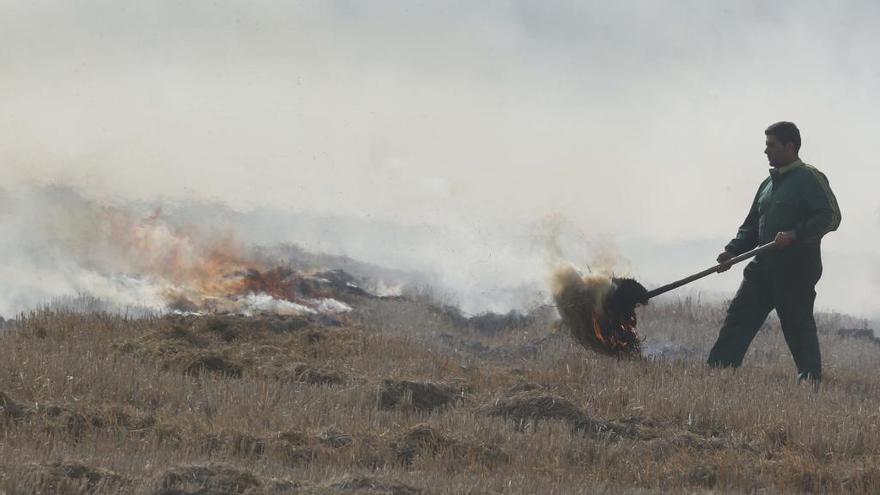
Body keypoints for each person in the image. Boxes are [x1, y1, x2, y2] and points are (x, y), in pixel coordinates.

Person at [707, 121, 841, 383]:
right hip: (762, 267)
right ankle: (718, 372)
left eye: (771, 145)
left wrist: (795, 234)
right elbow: (751, 227)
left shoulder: (809, 178)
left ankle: (810, 381)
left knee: (797, 326)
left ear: (790, 146)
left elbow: (831, 217)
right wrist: (731, 251)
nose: (766, 151)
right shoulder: (767, 185)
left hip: (796, 271)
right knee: (739, 317)